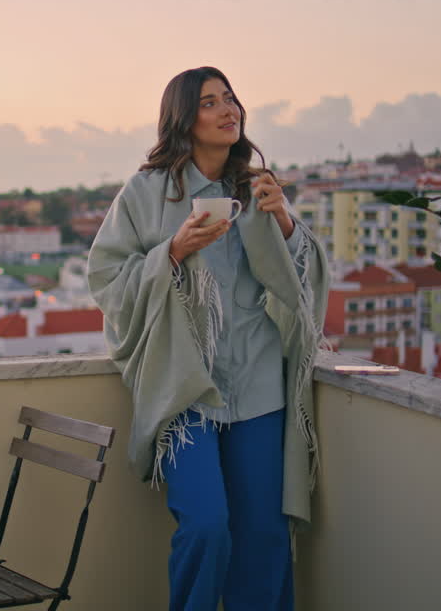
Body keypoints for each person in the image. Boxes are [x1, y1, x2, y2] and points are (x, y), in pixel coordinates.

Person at [87, 66, 329, 611]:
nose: (228, 110)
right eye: (209, 102)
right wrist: (172, 252)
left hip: (259, 386)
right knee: (206, 525)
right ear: (183, 119)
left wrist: (285, 223)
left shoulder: (255, 189)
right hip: (184, 391)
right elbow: (104, 278)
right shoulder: (147, 192)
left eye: (230, 98)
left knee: (264, 536)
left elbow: (303, 283)